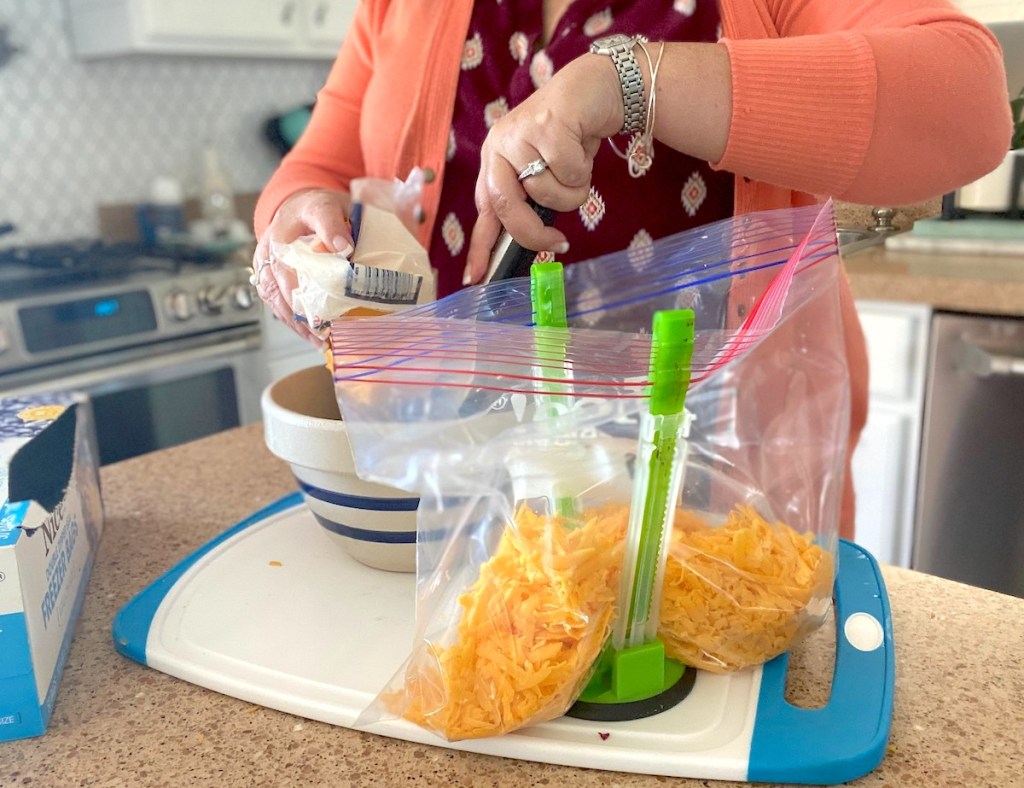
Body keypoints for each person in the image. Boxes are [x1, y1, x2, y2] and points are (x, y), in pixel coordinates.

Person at [252, 0, 1012, 540]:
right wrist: (295, 218)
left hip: (712, 512)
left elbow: (968, 104)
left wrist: (631, 82)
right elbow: (319, 167)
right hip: (453, 514)